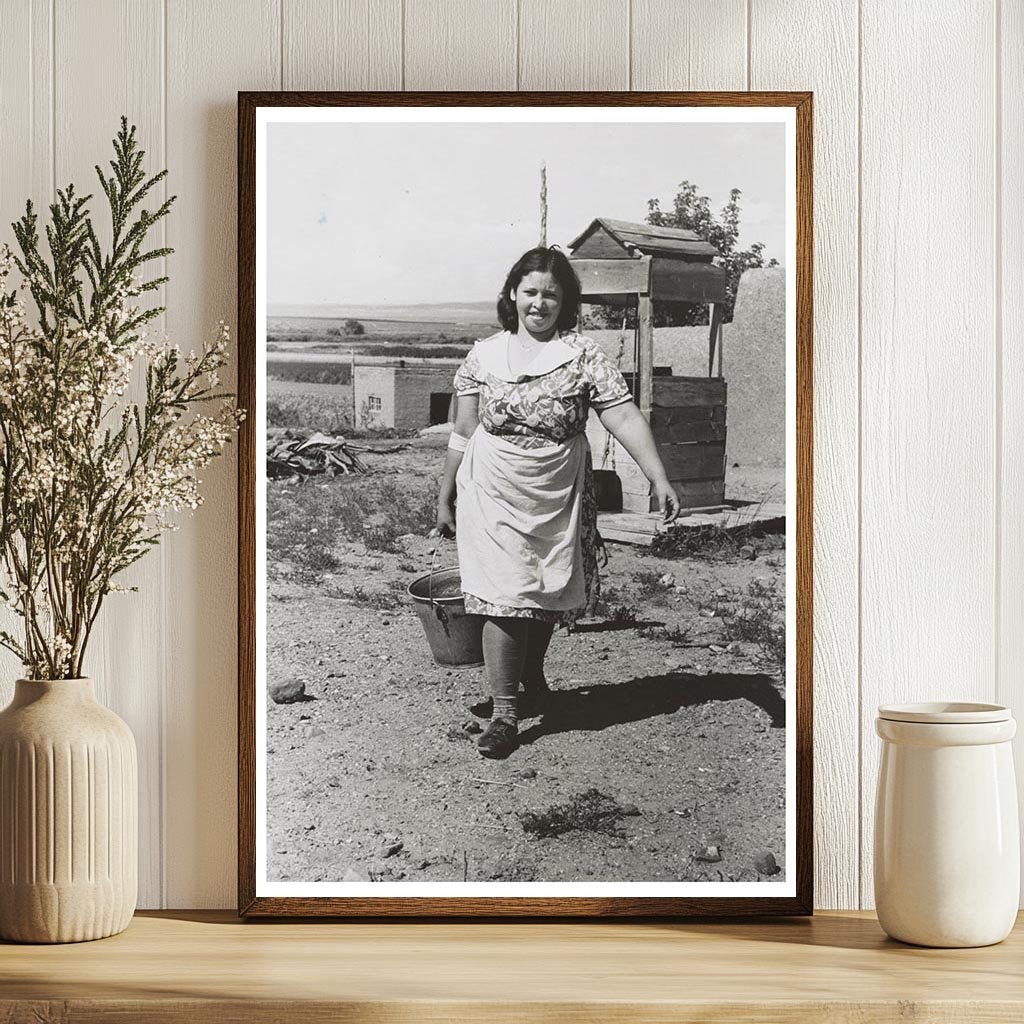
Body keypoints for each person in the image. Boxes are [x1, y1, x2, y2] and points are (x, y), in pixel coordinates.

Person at [435, 246, 680, 759]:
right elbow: (462, 430)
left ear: (565, 300)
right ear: (512, 295)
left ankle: (532, 678)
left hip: (557, 489)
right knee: (504, 596)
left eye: (551, 293)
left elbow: (625, 417)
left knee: (544, 585)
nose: (539, 303)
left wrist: (658, 476)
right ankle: (505, 713)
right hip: (492, 487)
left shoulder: (585, 355)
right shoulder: (483, 355)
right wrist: (446, 493)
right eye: (530, 292)